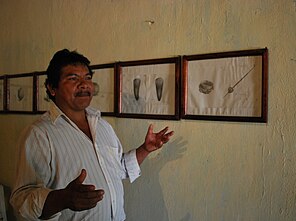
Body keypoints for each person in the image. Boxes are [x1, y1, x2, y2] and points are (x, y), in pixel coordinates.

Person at [10, 49, 174, 221]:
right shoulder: (40, 134)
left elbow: (118, 169)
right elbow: (21, 202)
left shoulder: (102, 126)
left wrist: (145, 149)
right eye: (73, 78)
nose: (84, 84)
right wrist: (63, 199)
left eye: (87, 78)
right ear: (52, 88)